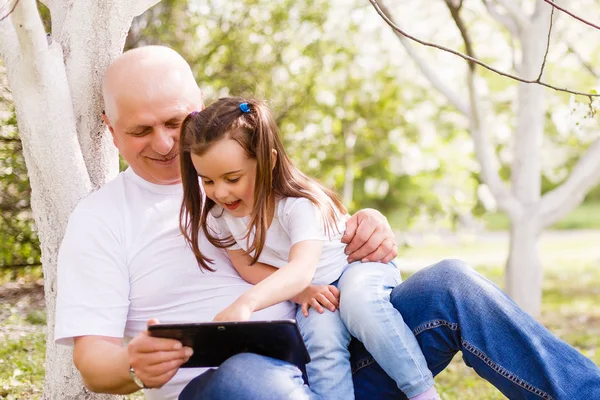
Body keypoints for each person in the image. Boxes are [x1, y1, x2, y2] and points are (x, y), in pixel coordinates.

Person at [54, 45, 600, 400]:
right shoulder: (102, 220)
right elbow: (93, 364)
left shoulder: (250, 170)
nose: (165, 143)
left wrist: (371, 223)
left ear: (200, 109)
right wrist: (131, 362)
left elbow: (325, 229)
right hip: (234, 387)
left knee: (453, 283)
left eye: (175, 122)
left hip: (340, 360)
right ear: (109, 127)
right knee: (251, 373)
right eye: (140, 131)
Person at [177, 97, 439, 400]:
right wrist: (300, 293)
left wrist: (246, 304)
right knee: (321, 343)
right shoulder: (219, 218)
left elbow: (301, 267)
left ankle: (422, 393)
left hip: (356, 266)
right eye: (207, 181)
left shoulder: (298, 205)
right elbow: (247, 266)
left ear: (268, 161)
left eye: (232, 178)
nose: (220, 192)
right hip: (315, 288)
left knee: (361, 303)